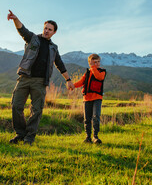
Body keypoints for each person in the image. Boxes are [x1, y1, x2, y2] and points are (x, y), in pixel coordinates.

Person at [7, 10, 75, 145]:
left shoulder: (53, 48)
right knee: (16, 105)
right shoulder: (33, 38)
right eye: (45, 28)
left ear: (54, 32)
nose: (46, 31)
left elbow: (59, 64)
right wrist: (15, 19)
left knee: (36, 110)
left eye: (50, 29)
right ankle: (20, 133)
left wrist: (68, 80)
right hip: (25, 78)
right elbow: (22, 30)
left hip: (40, 81)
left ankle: (29, 137)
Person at [73, 54, 106, 144]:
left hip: (97, 98)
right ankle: (88, 137)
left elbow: (99, 77)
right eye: (95, 62)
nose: (97, 64)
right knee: (87, 119)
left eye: (98, 61)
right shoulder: (87, 73)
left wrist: (93, 67)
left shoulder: (102, 72)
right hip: (87, 98)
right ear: (90, 63)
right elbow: (81, 82)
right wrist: (72, 85)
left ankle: (95, 136)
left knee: (96, 117)